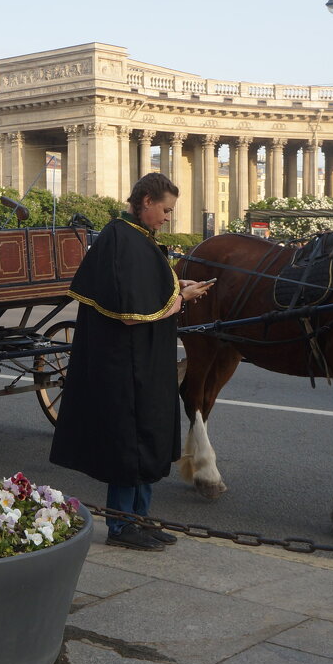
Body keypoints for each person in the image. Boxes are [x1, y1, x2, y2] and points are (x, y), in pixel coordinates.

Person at [50, 173, 212, 551]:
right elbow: (129, 313)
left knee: (148, 435)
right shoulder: (121, 239)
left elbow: (149, 292)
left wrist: (181, 289)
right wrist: (182, 300)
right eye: (166, 209)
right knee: (129, 442)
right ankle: (122, 527)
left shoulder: (137, 238)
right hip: (125, 364)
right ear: (145, 201)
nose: (168, 217)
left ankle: (140, 518)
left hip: (146, 360)